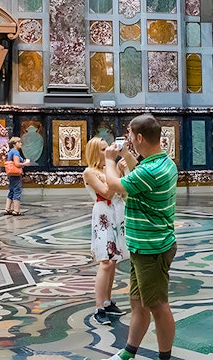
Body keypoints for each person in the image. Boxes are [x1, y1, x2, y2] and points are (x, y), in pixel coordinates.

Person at [104, 114, 178, 360]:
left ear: (138, 137)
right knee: (138, 302)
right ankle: (129, 351)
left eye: (130, 136)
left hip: (152, 248)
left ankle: (164, 357)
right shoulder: (162, 163)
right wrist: (126, 155)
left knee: (158, 306)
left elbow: (115, 185)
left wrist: (109, 160)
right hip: (142, 245)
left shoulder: (151, 170)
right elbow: (140, 174)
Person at [83, 136, 129, 325]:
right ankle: (99, 307)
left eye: (107, 148)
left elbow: (124, 191)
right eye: (103, 149)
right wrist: (115, 171)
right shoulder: (89, 172)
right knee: (105, 262)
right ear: (94, 152)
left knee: (113, 261)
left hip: (117, 213)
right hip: (103, 216)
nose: (107, 151)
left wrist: (123, 171)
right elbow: (108, 192)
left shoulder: (108, 170)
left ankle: (108, 302)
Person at [4, 137, 31, 215]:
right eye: (19, 142)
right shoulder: (16, 152)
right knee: (17, 190)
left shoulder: (10, 152)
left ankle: (7, 208)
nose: (21, 144)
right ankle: (16, 210)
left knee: (11, 190)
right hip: (16, 174)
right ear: (14, 144)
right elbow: (17, 164)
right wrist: (25, 164)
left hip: (11, 173)